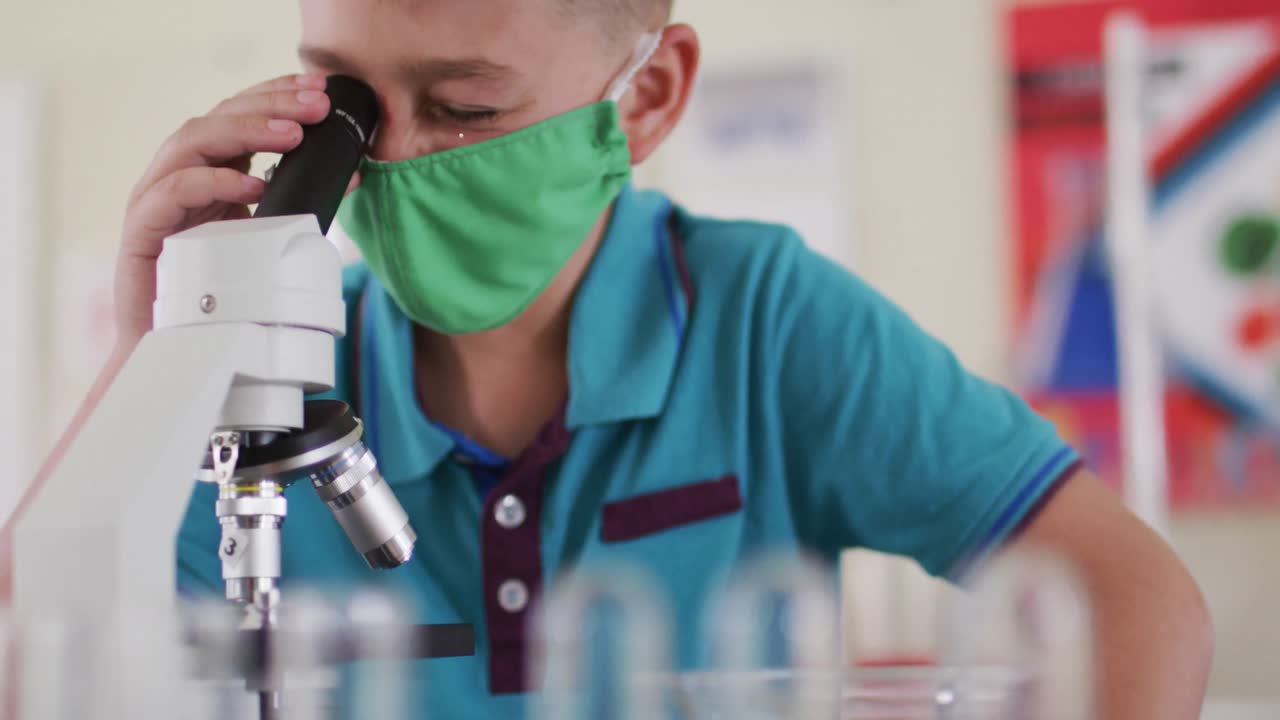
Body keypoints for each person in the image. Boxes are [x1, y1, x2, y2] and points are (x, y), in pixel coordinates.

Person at [11, 0, 1211, 717]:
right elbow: (28, 659)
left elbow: (1136, 598)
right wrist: (153, 353)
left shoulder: (763, 322)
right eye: (350, 108)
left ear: (644, 98)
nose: (401, 156)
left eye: (467, 110)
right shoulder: (281, 377)